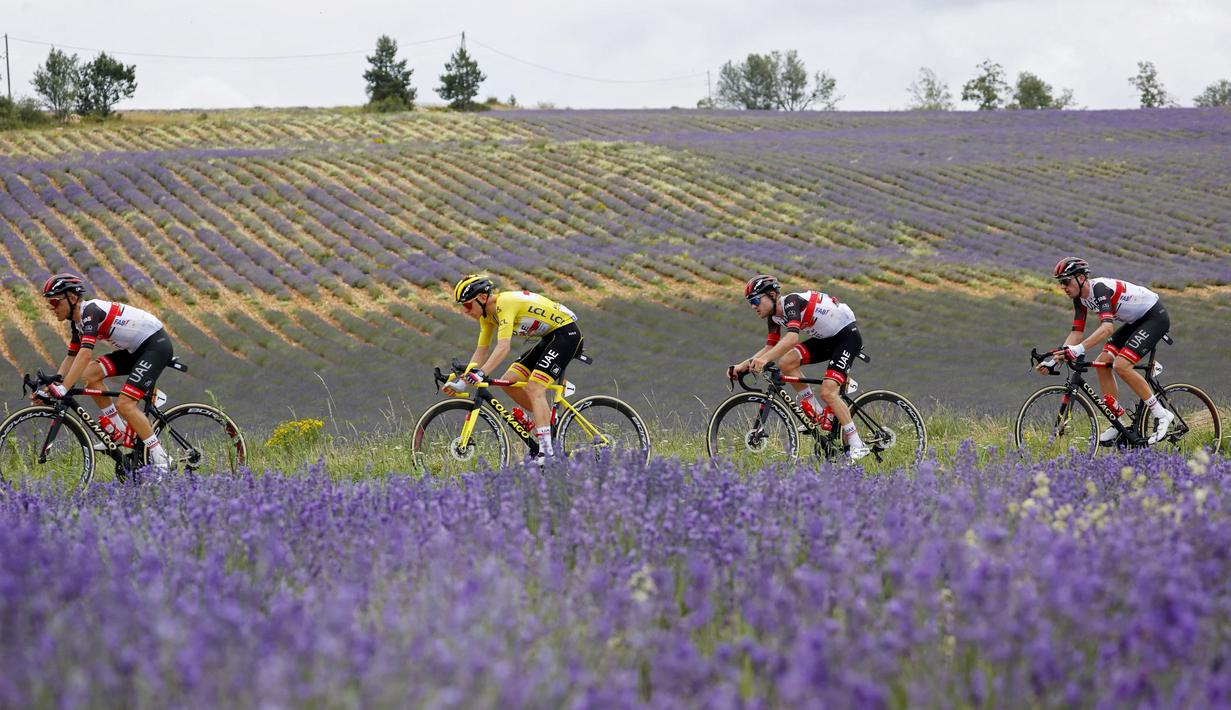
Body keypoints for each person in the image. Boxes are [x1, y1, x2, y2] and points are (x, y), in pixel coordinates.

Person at [38, 273, 174, 473]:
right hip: (135, 350)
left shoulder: (91, 312)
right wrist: (53, 386)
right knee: (90, 374)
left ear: (72, 298)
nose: (52, 307)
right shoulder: (77, 323)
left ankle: (162, 460)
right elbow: (71, 357)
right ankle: (119, 432)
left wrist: (64, 388)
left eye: (55, 302)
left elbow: (84, 354)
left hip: (155, 345)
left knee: (125, 404)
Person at [444, 274, 583, 461]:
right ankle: (548, 421)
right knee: (509, 381)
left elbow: (503, 347)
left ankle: (547, 452)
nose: (465, 311)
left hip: (566, 334)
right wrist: (462, 383)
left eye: (468, 305)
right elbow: (481, 351)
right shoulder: (487, 317)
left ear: (483, 298)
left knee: (535, 387)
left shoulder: (505, 304)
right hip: (549, 338)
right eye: (462, 306)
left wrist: (482, 373)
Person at [731, 274, 870, 461]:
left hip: (846, 336)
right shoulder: (774, 317)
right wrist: (742, 366)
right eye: (750, 302)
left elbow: (792, 338)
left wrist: (763, 361)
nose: (753, 306)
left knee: (828, 392)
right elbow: (770, 348)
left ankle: (857, 444)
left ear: (772, 295)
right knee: (786, 363)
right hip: (827, 339)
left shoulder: (791, 303)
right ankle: (818, 415)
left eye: (755, 300)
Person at [1036, 257, 1173, 445]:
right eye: (1061, 283)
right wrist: (1055, 358)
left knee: (1122, 365)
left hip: (1153, 317)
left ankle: (1162, 415)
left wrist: (1079, 349)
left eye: (1066, 281)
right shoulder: (1080, 300)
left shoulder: (1099, 289)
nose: (1063, 287)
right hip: (1135, 322)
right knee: (1102, 364)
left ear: (1081, 278)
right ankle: (1117, 423)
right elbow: (1076, 333)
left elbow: (1107, 328)